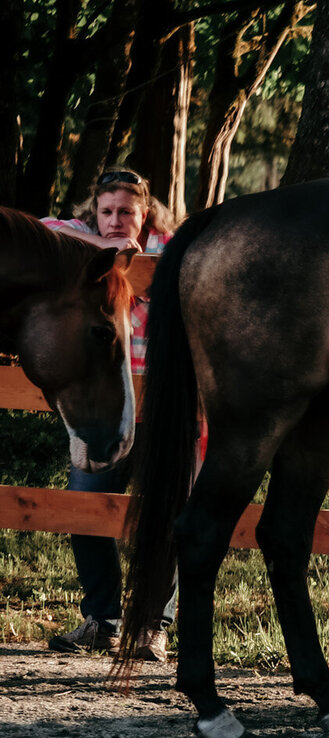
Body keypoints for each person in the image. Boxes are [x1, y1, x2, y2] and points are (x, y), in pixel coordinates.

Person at [42, 167, 177, 660]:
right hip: (105, 410)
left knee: (166, 517)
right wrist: (100, 247)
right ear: (93, 212)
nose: (117, 221)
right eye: (107, 212)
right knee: (86, 510)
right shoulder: (82, 247)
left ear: (146, 216)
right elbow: (43, 230)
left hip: (163, 414)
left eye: (127, 212)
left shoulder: (171, 254)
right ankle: (103, 619)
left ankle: (152, 627)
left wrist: (140, 265)